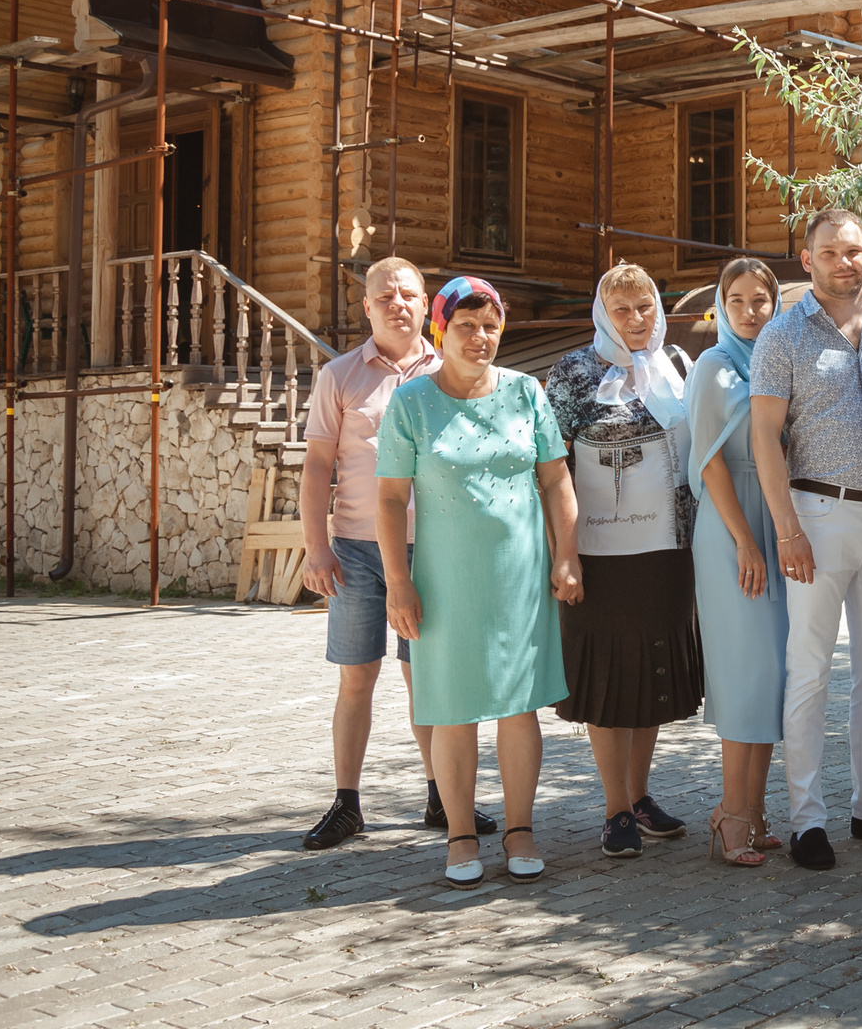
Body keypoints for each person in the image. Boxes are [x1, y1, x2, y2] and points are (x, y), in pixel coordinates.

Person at [377, 278, 582, 889]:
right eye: (466, 325)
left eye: (490, 325)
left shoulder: (527, 393)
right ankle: (460, 834)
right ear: (440, 331)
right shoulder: (411, 403)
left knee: (519, 708)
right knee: (452, 709)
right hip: (443, 581)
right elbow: (388, 501)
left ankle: (520, 828)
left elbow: (557, 482)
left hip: (520, 578)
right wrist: (397, 582)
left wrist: (566, 555)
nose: (480, 336)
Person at [297, 257, 493, 850]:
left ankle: (442, 797)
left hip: (434, 549)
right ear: (366, 306)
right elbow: (316, 467)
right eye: (384, 296)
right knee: (356, 679)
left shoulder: (450, 370)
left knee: (426, 679)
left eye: (408, 293)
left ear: (425, 300)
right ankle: (347, 803)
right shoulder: (339, 376)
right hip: (357, 550)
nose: (396, 304)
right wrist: (317, 548)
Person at [747, 210, 862, 869]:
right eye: (829, 251)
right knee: (811, 670)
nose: (843, 262)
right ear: (806, 257)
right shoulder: (782, 335)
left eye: (853, 251)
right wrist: (786, 526)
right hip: (817, 514)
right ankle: (807, 819)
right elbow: (764, 435)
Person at [543, 264, 703, 859]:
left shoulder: (679, 367)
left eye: (645, 308)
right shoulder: (572, 372)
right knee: (610, 680)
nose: (637, 320)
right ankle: (614, 809)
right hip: (600, 557)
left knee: (652, 673)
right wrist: (564, 555)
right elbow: (550, 467)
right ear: (601, 314)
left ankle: (640, 795)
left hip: (667, 550)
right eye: (622, 310)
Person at [684, 258, 794, 867]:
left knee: (772, 673)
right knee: (743, 669)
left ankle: (753, 810)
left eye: (761, 299)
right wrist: (747, 541)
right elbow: (709, 462)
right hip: (732, 522)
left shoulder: (776, 362)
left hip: (776, 517)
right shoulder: (713, 367)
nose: (751, 311)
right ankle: (729, 811)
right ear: (721, 308)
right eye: (738, 300)